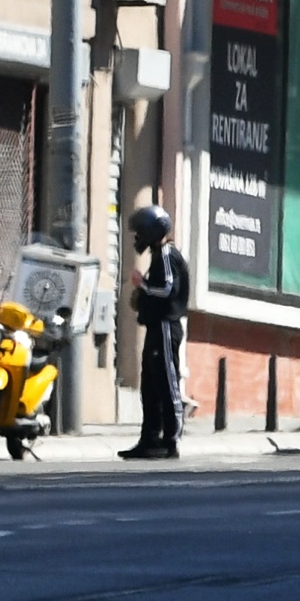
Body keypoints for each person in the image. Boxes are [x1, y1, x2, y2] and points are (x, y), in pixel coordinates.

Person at [121, 196, 193, 459]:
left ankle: (171, 438)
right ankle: (149, 439)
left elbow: (167, 289)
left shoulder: (166, 255)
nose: (138, 237)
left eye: (141, 231)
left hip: (165, 327)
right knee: (150, 385)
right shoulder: (158, 255)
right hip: (155, 326)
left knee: (166, 381)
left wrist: (143, 285)